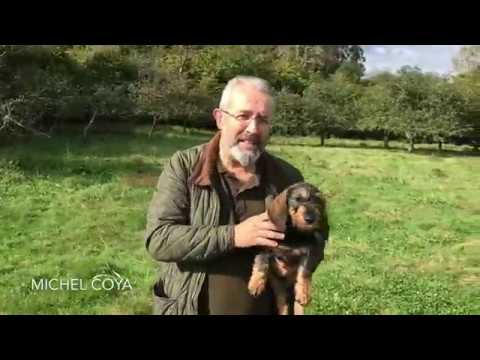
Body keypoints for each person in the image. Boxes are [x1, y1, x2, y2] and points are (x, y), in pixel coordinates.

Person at [145, 76, 304, 315]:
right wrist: (234, 236)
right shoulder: (185, 166)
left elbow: (314, 238)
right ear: (220, 118)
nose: (253, 129)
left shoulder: (287, 177)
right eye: (243, 116)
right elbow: (159, 239)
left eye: (262, 120)